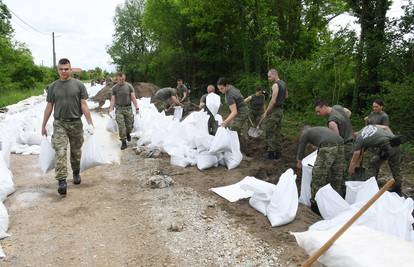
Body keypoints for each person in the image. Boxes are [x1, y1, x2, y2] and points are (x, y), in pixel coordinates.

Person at [41, 58, 94, 196]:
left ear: (70, 69)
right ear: (58, 70)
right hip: (60, 123)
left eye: (66, 69)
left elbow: (84, 105)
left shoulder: (79, 85)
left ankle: (76, 172)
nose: (64, 71)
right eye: (61, 69)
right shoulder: (53, 87)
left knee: (76, 152)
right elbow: (49, 107)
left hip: (76, 123)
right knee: (60, 151)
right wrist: (43, 125)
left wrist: (90, 124)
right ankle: (62, 181)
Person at [296, 126, 345, 214]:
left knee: (318, 175)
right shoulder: (319, 130)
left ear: (303, 131)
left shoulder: (306, 133)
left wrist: (299, 162)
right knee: (336, 174)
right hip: (341, 144)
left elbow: (301, 147)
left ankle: (315, 205)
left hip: (328, 145)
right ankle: (336, 199)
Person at [348, 125, 402, 194]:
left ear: (354, 137)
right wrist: (392, 137)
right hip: (396, 143)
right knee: (395, 167)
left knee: (372, 165)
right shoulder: (367, 127)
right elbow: (385, 127)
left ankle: (370, 187)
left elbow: (356, 154)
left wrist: (351, 169)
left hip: (386, 147)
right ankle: (398, 188)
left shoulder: (359, 139)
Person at [315, 100, 354, 167]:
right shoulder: (337, 107)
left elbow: (336, 140)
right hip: (352, 140)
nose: (318, 114)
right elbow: (348, 112)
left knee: (344, 169)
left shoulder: (332, 121)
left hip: (345, 146)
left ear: (324, 107)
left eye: (319, 111)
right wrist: (344, 123)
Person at [109, 72, 139, 150]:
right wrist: (111, 110)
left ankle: (128, 133)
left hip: (128, 108)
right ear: (117, 79)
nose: (121, 80)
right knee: (121, 126)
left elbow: (133, 97)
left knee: (130, 125)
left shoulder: (129, 86)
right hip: (119, 109)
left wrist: (137, 108)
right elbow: (112, 100)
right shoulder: (114, 88)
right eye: (120, 79)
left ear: (124, 78)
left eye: (123, 79)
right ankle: (123, 142)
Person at [262, 69, 288, 160]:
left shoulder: (275, 85)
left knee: (269, 130)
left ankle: (271, 153)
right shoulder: (283, 83)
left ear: (274, 75)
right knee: (277, 131)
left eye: (269, 76)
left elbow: (273, 101)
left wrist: (266, 112)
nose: (268, 78)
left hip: (275, 110)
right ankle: (278, 153)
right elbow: (286, 96)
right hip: (281, 110)